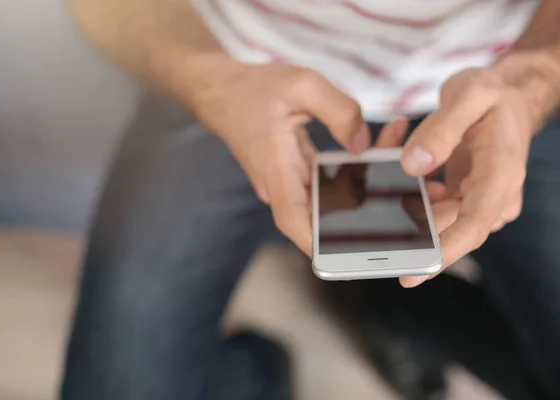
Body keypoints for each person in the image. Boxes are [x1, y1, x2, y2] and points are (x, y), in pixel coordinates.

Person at [61, 0, 560, 399]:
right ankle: (257, 365)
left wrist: (535, 78)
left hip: (504, 78)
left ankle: (391, 304)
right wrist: (210, 80)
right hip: (234, 69)